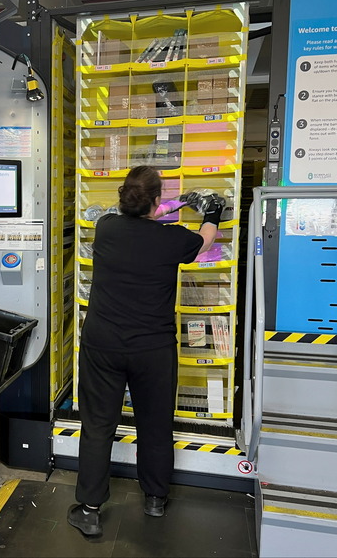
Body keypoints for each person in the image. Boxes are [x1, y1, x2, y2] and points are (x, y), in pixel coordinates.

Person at [68, 165, 222, 537]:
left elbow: (140, 215)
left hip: (102, 343)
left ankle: (89, 509)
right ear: (155, 201)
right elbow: (204, 239)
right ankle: (154, 498)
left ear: (123, 197)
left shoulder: (106, 228)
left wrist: (174, 202)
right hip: (152, 348)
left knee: (98, 425)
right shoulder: (172, 240)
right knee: (154, 423)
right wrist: (210, 209)